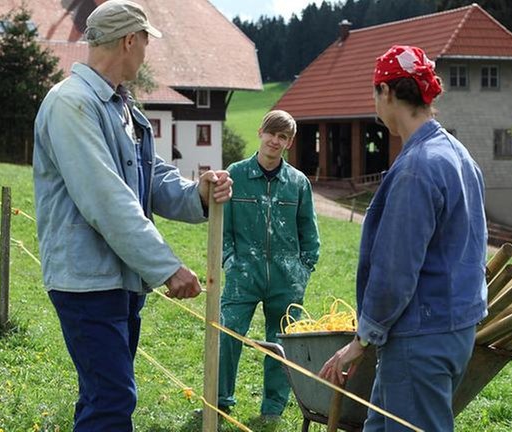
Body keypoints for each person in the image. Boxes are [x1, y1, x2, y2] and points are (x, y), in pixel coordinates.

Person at [32, 1, 232, 430]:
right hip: (86, 280)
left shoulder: (122, 108)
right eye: (145, 40)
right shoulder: (72, 104)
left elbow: (153, 179)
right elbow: (106, 199)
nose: (147, 51)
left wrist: (196, 192)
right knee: (112, 398)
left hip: (119, 278)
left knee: (103, 396)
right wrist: (166, 266)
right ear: (128, 40)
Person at [319, 45, 488, 431]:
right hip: (452, 328)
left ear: (388, 93)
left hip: (421, 335)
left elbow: (396, 270)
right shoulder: (459, 156)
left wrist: (362, 339)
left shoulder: (416, 168)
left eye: (374, 92)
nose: (375, 102)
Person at [218, 110, 320, 421]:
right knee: (228, 334)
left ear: (289, 142)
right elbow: (224, 229)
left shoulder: (298, 183)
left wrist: (302, 270)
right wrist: (230, 261)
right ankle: (220, 401)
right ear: (261, 132)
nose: (275, 141)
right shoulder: (235, 174)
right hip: (243, 276)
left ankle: (272, 409)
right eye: (271, 133)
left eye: (282, 137)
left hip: (286, 278)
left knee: (281, 344)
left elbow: (309, 232)